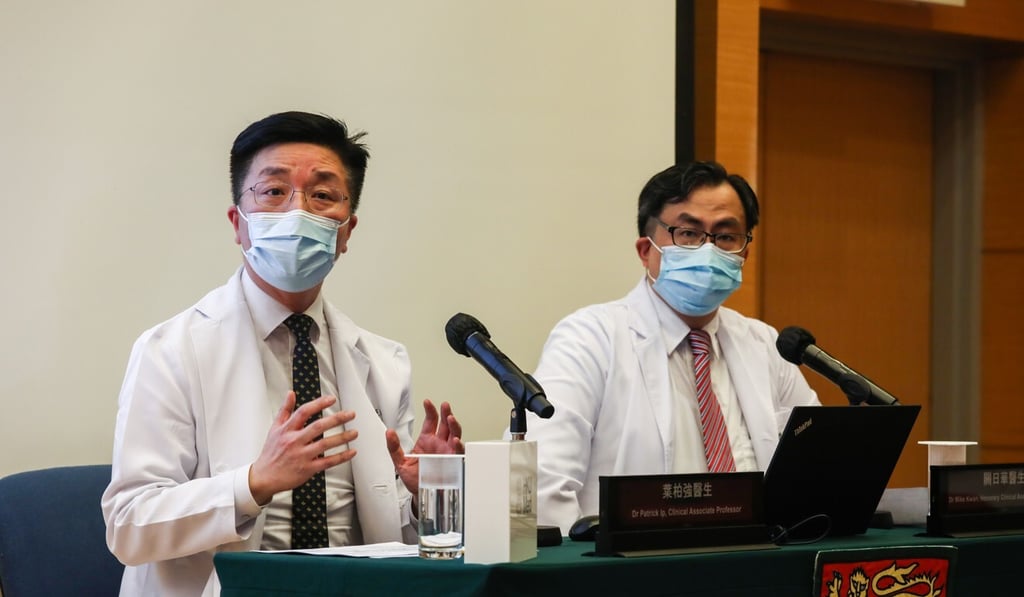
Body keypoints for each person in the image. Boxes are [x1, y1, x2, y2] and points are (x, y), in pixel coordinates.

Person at [102, 111, 463, 596]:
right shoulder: (171, 350)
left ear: (347, 231)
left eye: (322, 195)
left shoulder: (382, 362)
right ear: (239, 223)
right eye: (273, 192)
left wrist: (429, 496)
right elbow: (129, 526)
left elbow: (392, 538)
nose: (298, 212)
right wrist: (254, 483)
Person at [524, 161, 819, 534]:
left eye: (726, 236)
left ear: (744, 253)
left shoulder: (765, 344)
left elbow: (813, 474)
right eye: (688, 233)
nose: (708, 250)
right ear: (646, 250)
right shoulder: (589, 338)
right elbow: (541, 482)